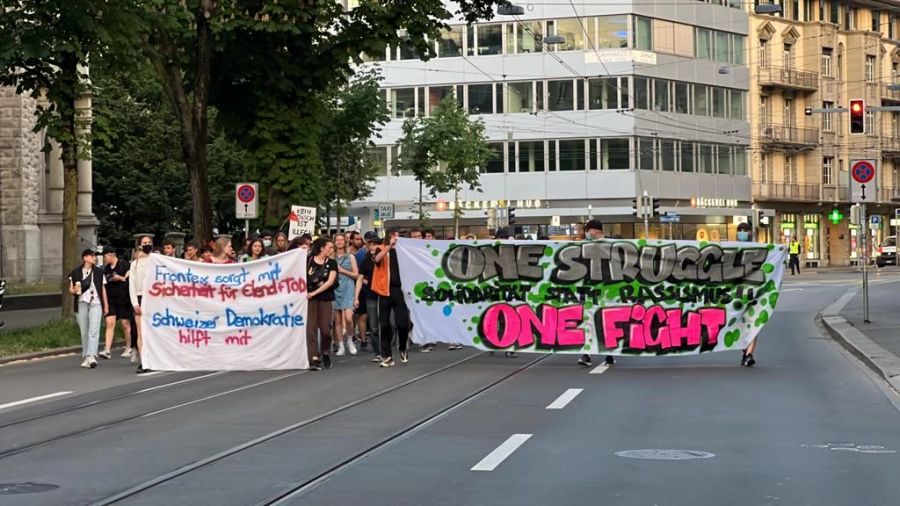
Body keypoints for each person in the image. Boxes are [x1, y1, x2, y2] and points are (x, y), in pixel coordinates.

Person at [578, 220, 615, 368]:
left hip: (608, 292)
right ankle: (587, 354)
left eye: (589, 231)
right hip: (589, 291)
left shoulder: (611, 245)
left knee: (606, 324)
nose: (587, 234)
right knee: (589, 323)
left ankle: (609, 354)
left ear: (597, 231)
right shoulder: (584, 246)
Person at [373, 230, 411, 367]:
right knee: (384, 324)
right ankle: (387, 355)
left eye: (398, 236)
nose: (397, 238)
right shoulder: (381, 248)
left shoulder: (404, 252)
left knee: (402, 323)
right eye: (394, 235)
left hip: (399, 290)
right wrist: (389, 246)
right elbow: (377, 260)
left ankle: (402, 347)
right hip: (384, 290)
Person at [69, 249, 108, 369]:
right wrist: (74, 290)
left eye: (94, 256)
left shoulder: (99, 272)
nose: (94, 258)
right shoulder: (75, 272)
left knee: (94, 330)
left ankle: (92, 356)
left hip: (96, 302)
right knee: (84, 331)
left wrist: (105, 305)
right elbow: (70, 289)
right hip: (82, 302)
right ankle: (86, 355)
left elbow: (102, 289)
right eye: (92, 256)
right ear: (85, 258)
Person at [307, 237, 338, 370]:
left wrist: (315, 292)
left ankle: (325, 351)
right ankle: (314, 357)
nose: (332, 250)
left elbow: (330, 282)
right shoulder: (308, 261)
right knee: (311, 329)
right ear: (321, 248)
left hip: (325, 298)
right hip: (310, 300)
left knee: (326, 330)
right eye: (329, 247)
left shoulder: (332, 263)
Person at [100, 246, 132, 360]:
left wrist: (120, 278)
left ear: (111, 255)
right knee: (110, 323)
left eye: (105, 256)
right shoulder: (106, 269)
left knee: (125, 324)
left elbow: (129, 278)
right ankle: (107, 349)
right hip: (111, 299)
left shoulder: (124, 264)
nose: (104, 259)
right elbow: (105, 281)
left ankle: (129, 347)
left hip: (123, 298)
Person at [332, 234, 361, 356]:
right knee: (337, 320)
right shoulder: (331, 257)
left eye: (341, 240)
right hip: (335, 289)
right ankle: (341, 345)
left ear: (345, 242)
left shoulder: (350, 257)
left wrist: (343, 271)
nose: (339, 242)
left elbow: (356, 275)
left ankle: (350, 339)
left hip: (348, 288)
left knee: (349, 318)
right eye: (337, 240)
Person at [736, 222, 758, 367]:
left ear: (750, 232)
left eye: (745, 230)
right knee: (740, 326)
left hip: (753, 293)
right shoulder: (732, 248)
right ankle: (745, 353)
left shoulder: (757, 249)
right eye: (740, 230)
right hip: (736, 295)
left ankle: (749, 354)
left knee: (754, 325)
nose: (743, 232)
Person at [357, 232, 381, 359]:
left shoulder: (385, 258)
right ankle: (378, 351)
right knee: (373, 326)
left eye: (375, 244)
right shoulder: (365, 261)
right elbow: (360, 278)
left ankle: (386, 347)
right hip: (371, 295)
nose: (372, 247)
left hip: (384, 295)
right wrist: (356, 297)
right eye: (370, 244)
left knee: (389, 324)